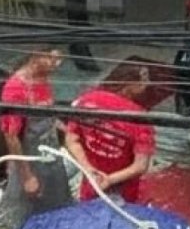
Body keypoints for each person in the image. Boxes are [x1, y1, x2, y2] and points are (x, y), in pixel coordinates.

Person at [0, 48, 72, 228]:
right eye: (53, 60)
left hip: (51, 156)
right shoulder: (16, 88)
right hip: (30, 160)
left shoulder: (43, 78)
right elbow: (11, 136)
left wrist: (70, 131)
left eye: (60, 60)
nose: (57, 65)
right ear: (36, 55)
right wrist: (27, 177)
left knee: (57, 206)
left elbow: (48, 117)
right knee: (26, 214)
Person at [65, 65, 155, 203]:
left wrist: (88, 169)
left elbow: (72, 139)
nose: (148, 83)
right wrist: (109, 179)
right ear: (129, 84)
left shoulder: (87, 100)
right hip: (124, 189)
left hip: (92, 182)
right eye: (143, 79)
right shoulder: (139, 118)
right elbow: (140, 166)